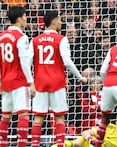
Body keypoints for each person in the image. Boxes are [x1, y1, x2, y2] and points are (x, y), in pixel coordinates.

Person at [29, 10, 87, 147]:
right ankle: (60, 145)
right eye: (60, 20)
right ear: (54, 22)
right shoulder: (61, 39)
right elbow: (67, 62)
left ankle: (34, 145)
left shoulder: (34, 40)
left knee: (39, 117)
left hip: (40, 82)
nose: (61, 22)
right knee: (59, 116)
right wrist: (80, 77)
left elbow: (27, 62)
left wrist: (29, 81)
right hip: (57, 82)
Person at [0, 6, 36, 147]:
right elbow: (24, 61)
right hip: (19, 81)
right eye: (24, 16)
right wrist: (30, 82)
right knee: (23, 115)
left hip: (6, 81)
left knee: (5, 116)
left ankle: (2, 145)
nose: (26, 19)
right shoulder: (22, 37)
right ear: (19, 19)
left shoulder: (0, 37)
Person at [51, 113, 117, 147]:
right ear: (116, 123)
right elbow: (85, 132)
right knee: (66, 144)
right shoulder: (108, 128)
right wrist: (91, 140)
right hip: (86, 144)